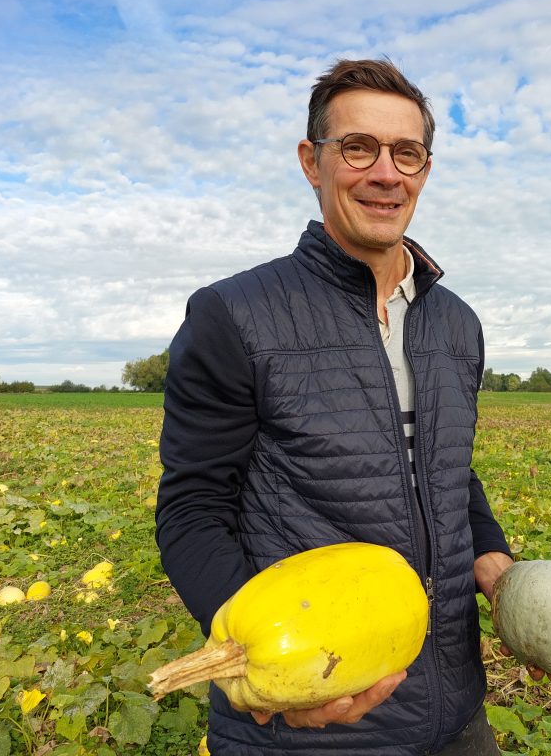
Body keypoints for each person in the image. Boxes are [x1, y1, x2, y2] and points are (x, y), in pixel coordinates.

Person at [155, 58, 514, 755]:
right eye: (359, 147)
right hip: (312, 729)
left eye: (406, 153)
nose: (386, 173)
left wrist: (496, 560)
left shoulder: (457, 325)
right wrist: (271, 674)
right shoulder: (233, 315)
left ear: (425, 170)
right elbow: (194, 509)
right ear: (311, 161)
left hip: (454, 711)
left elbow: (448, 476)